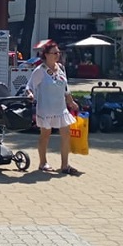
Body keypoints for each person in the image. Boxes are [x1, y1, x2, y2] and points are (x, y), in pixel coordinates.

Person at [25, 41, 80, 175]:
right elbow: (29, 86)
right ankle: (43, 162)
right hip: (46, 108)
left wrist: (71, 102)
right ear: (46, 55)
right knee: (45, 135)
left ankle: (64, 165)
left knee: (66, 134)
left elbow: (65, 87)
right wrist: (30, 94)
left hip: (60, 108)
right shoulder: (40, 71)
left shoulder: (61, 67)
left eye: (58, 53)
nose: (57, 55)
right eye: (54, 53)